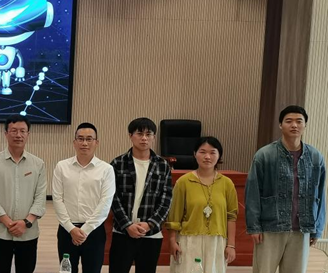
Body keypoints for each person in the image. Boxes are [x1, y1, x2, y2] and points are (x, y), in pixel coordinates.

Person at [246, 105, 326, 273]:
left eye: (299, 121)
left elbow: (320, 194)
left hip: (301, 228)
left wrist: (317, 228)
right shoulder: (264, 155)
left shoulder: (315, 157)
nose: (294, 125)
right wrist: (254, 226)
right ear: (280, 125)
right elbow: (252, 192)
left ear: (305, 125)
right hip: (270, 227)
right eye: (289, 121)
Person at [0, 114, 47, 273]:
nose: (18, 135)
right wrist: (9, 224)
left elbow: (40, 197)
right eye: (14, 131)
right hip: (0, 232)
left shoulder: (38, 164)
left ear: (28, 134)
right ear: (6, 133)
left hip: (28, 232)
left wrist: (26, 223)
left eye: (22, 131)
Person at [109, 117, 172, 273]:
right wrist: (127, 225)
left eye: (148, 134)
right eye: (139, 133)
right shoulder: (117, 163)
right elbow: (113, 198)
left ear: (154, 137)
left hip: (151, 233)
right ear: (130, 135)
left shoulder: (163, 165)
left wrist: (150, 224)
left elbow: (166, 199)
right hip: (123, 231)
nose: (144, 138)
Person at [167, 137, 238, 273]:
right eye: (202, 152)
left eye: (212, 152)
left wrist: (231, 245)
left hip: (216, 241)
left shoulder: (227, 183)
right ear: (195, 154)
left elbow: (231, 217)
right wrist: (172, 240)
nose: (207, 157)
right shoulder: (184, 182)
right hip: (189, 240)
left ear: (219, 155)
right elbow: (174, 216)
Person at [52, 122, 115, 273]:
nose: (84, 143)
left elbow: (105, 203)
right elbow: (57, 199)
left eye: (89, 139)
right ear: (74, 142)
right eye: (80, 139)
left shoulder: (106, 169)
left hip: (94, 231)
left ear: (96, 142)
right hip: (67, 230)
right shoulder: (62, 166)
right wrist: (71, 229)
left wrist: (85, 230)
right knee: (67, 271)